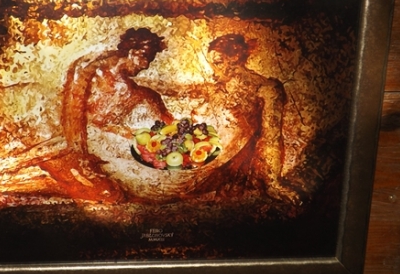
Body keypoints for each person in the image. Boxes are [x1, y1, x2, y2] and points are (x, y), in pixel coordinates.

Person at [39, 28, 172, 202]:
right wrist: (80, 155)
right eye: (144, 57)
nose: (145, 65)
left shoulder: (132, 89)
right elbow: (73, 112)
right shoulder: (89, 67)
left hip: (102, 142)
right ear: (132, 51)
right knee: (112, 194)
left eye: (150, 59)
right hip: (77, 143)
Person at [193, 34, 290, 200]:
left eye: (218, 63)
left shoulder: (267, 90)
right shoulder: (219, 86)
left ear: (236, 57)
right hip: (202, 155)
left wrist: (273, 183)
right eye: (212, 65)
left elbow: (271, 138)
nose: (214, 73)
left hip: (230, 163)